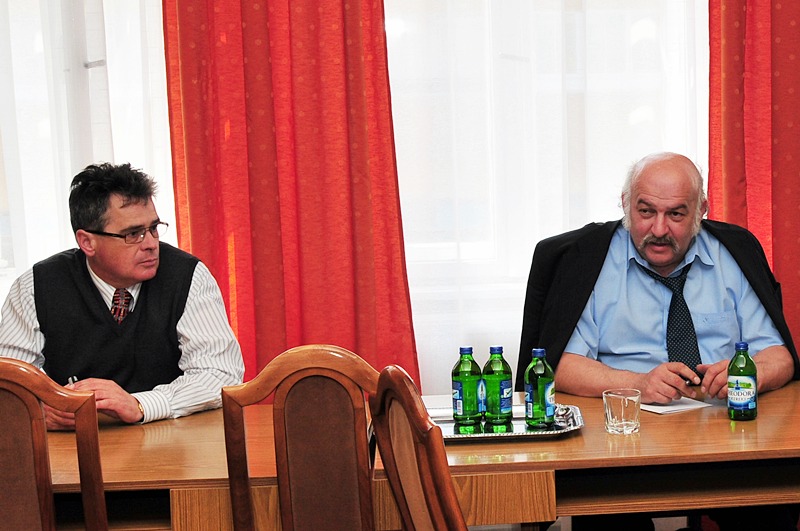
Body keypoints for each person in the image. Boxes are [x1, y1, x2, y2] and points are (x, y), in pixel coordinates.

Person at [515, 152, 800, 530]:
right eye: (645, 211)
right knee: (610, 521)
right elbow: (559, 366)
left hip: (728, 434)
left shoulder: (734, 253)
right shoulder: (587, 259)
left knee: (769, 511)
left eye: (676, 214)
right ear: (625, 204)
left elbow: (779, 355)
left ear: (701, 211)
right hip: (621, 440)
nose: (659, 229)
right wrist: (638, 384)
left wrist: (748, 375)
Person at [0, 163, 245, 430]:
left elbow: (221, 373)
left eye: (154, 228)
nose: (151, 244)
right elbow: (8, 383)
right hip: (74, 441)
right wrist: (38, 409)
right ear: (87, 242)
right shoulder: (36, 287)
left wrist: (141, 404)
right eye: (133, 234)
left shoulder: (188, 276)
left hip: (173, 436)